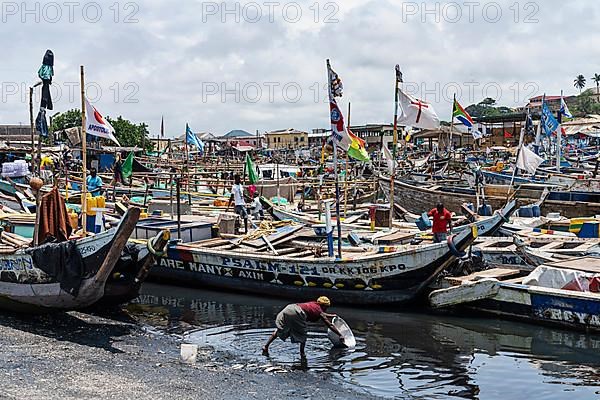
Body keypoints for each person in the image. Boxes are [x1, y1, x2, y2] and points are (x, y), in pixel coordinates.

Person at [262, 296, 344, 358]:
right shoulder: (319, 311)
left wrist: (331, 315)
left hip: (289, 308)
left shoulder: (313, 304)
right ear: (323, 306)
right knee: (303, 334)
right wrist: (340, 334)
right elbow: (329, 324)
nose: (326, 309)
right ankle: (302, 354)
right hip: (297, 313)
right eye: (326, 307)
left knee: (281, 329)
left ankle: (266, 347)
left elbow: (320, 313)